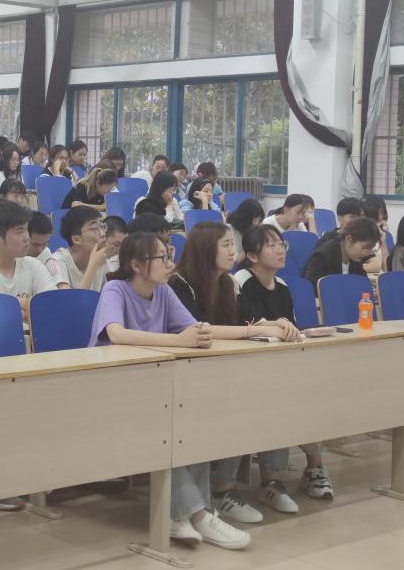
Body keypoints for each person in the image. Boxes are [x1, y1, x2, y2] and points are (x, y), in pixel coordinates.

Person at [88, 231, 295, 550]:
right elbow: (116, 334)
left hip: (153, 390)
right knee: (165, 431)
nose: (169, 263)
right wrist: (178, 340)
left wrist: (259, 329)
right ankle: (199, 514)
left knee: (195, 422)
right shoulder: (115, 289)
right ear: (137, 265)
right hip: (114, 392)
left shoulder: (163, 291)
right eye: (161, 258)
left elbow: (197, 329)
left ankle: (182, 514)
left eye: (169, 255)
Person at [169, 223, 304, 523]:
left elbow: (250, 320)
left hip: (222, 369)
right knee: (237, 402)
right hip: (187, 373)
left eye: (233, 244)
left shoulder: (228, 283)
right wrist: (255, 329)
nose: (234, 252)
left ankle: (266, 482)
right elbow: (199, 329)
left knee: (271, 393)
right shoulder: (179, 283)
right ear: (207, 250)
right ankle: (222, 491)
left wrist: (276, 324)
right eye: (227, 245)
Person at [231, 224, 335, 509]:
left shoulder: (283, 286)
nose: (280, 250)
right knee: (283, 397)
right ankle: (271, 480)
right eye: (271, 245)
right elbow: (248, 326)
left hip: (280, 363)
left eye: (281, 244)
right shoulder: (240, 281)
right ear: (252, 255)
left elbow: (290, 327)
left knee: (312, 393)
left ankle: (314, 469)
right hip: (249, 366)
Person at [45, 206, 117, 292]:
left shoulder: (102, 260)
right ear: (76, 239)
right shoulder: (56, 262)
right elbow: (69, 300)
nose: (103, 234)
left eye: (102, 227)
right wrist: (93, 265)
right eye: (95, 228)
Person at [302, 217, 380, 289]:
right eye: (364, 248)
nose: (367, 253)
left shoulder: (355, 259)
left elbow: (362, 285)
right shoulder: (322, 256)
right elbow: (311, 289)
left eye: (370, 249)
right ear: (349, 239)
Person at [226, 198, 265, 263]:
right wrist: (250, 246)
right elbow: (233, 263)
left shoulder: (254, 229)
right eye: (255, 219)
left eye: (259, 220)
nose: (257, 224)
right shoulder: (228, 231)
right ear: (245, 218)